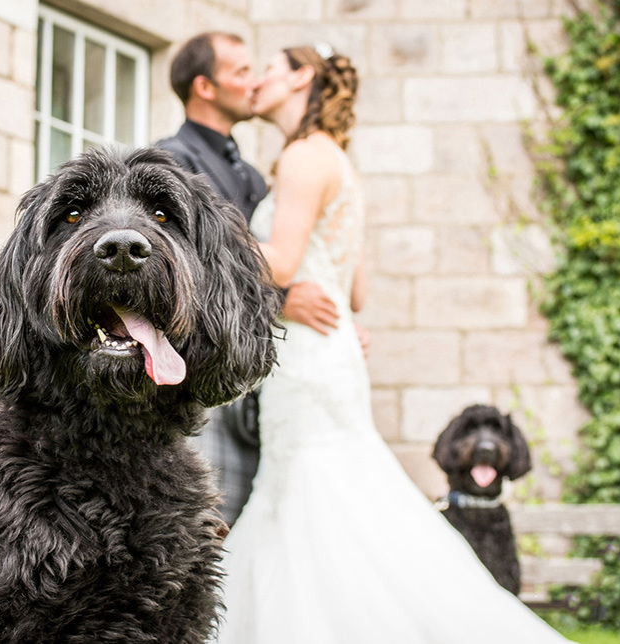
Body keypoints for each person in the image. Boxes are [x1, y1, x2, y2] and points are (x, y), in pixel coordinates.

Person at [214, 44, 576, 644]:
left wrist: (202, 235)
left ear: (302, 76)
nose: (258, 80)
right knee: (337, 492)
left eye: (270, 69)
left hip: (308, 356)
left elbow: (278, 266)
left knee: (312, 493)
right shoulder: (339, 161)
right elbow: (354, 291)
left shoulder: (303, 157)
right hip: (331, 353)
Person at [155, 33, 341, 527]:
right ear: (205, 87)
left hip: (258, 379)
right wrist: (284, 298)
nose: (254, 80)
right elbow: (181, 260)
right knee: (203, 528)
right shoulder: (169, 161)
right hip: (199, 377)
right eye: (240, 71)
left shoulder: (257, 177)